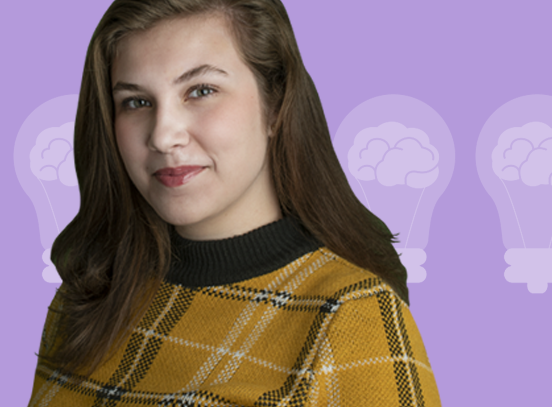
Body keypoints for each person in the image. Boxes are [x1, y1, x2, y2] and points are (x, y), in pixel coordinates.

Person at [28, 0, 442, 405]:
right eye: (137, 102)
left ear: (276, 104)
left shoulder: (354, 317)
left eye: (201, 91)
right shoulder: (91, 291)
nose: (162, 135)